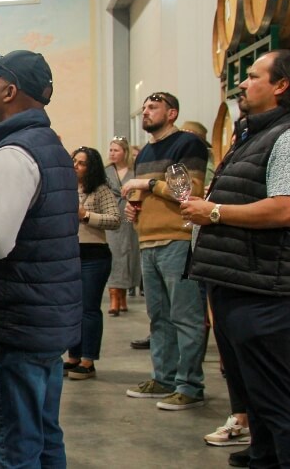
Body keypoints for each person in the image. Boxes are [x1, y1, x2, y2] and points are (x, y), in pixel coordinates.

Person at [182, 49, 290, 468]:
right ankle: (264, 458)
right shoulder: (257, 134)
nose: (242, 83)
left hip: (267, 288)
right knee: (257, 395)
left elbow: (289, 208)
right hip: (242, 282)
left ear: (281, 85)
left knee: (278, 398)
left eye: (254, 75)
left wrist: (217, 213)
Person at [0, 50, 81, 467]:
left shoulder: (13, 153)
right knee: (44, 432)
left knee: (16, 441)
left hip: (19, 319)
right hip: (44, 315)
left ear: (10, 90)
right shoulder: (46, 143)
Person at [120, 91, 210, 411]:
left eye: (153, 107)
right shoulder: (145, 152)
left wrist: (145, 186)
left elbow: (189, 191)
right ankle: (164, 378)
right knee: (159, 318)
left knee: (185, 316)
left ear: (171, 113)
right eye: (144, 107)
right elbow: (150, 193)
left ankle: (190, 385)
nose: (145, 112)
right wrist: (137, 209)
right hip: (148, 241)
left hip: (178, 239)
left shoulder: (187, 144)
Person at [65, 146, 120, 380]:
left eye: (81, 163)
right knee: (72, 309)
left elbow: (115, 219)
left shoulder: (101, 190)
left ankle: (88, 360)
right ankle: (73, 357)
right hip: (70, 253)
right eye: (74, 161)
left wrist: (86, 216)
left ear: (91, 167)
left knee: (88, 308)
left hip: (94, 255)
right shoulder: (66, 189)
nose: (76, 166)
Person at [105, 137, 141, 317]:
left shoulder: (135, 172)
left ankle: (124, 295)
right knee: (114, 254)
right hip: (111, 216)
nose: (112, 153)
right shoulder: (105, 172)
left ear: (124, 152)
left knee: (129, 253)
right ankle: (113, 297)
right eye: (110, 150)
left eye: (116, 150)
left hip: (129, 216)